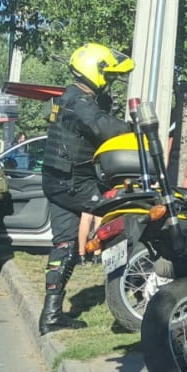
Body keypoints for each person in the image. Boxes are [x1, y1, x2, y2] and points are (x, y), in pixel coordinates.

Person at [38, 42, 134, 335]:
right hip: (73, 182)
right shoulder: (80, 103)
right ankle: (135, 288)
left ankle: (51, 315)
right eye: (110, 76)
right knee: (129, 209)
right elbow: (105, 128)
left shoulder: (69, 97)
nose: (112, 81)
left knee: (64, 244)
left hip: (57, 181)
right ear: (95, 71)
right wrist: (136, 128)